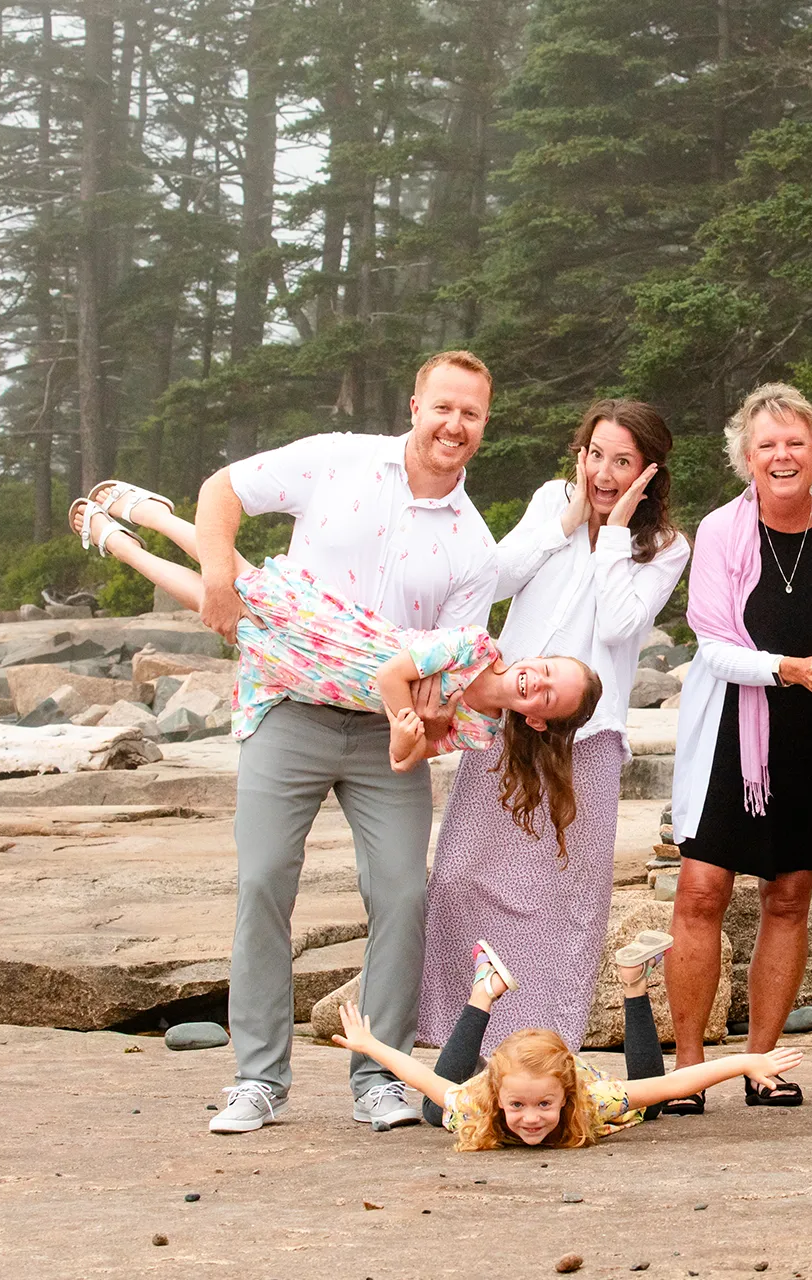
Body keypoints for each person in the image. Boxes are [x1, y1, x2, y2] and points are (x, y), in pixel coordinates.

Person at [188, 350, 503, 1134]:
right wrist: (219, 575)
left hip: (381, 739)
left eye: (470, 415)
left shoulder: (476, 549)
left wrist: (427, 722)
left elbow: (443, 679)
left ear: (483, 428)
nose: (453, 425)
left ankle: (381, 1079)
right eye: (443, 408)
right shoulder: (336, 460)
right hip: (287, 710)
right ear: (414, 405)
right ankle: (257, 1078)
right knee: (263, 879)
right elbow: (221, 489)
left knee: (402, 892)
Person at [418, 400, 690, 1054]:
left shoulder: (667, 545)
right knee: (458, 874)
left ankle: (542, 1048)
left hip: (587, 739)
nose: (603, 472)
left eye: (622, 461)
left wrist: (616, 535)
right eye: (596, 454)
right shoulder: (551, 501)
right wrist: (567, 522)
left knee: (563, 899)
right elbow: (495, 577)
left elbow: (622, 626)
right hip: (508, 712)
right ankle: (449, 1040)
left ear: (649, 471)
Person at [68, 495, 601, 812]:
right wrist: (410, 719)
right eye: (550, 669)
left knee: (223, 616)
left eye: (551, 697)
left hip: (319, 679)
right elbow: (395, 674)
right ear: (539, 657)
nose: (540, 680)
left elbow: (406, 758)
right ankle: (153, 513)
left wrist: (405, 738)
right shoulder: (479, 647)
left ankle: (121, 546)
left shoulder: (482, 732)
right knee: (234, 575)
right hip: (335, 630)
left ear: (536, 721)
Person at [664, 384, 812, 1113]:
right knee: (701, 891)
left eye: (795, 443)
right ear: (747, 458)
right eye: (767, 444)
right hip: (731, 731)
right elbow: (712, 646)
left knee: (788, 898)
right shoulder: (720, 530)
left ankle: (762, 1064)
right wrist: (787, 668)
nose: (782, 455)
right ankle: (688, 1069)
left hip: (811, 731)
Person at [333, 935, 804, 1149]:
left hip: (571, 1072)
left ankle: (633, 983)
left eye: (543, 1105)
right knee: (440, 1111)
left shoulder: (592, 1099)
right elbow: (422, 1077)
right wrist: (370, 1046)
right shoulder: (484, 1105)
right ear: (498, 1097)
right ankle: (484, 989)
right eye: (517, 1106)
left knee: (654, 1104)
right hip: (499, 1077)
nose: (531, 1118)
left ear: (565, 1098)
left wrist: (747, 1062)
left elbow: (678, 1083)